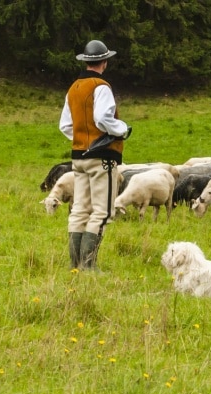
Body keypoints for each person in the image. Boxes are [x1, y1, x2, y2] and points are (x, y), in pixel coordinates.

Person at [59, 39, 132, 271]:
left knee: (79, 209)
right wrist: (120, 129)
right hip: (102, 158)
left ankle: (75, 265)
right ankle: (89, 267)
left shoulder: (73, 88)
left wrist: (83, 139)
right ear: (105, 62)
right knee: (102, 212)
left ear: (86, 61)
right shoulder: (101, 87)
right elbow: (102, 118)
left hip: (78, 157)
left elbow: (65, 125)